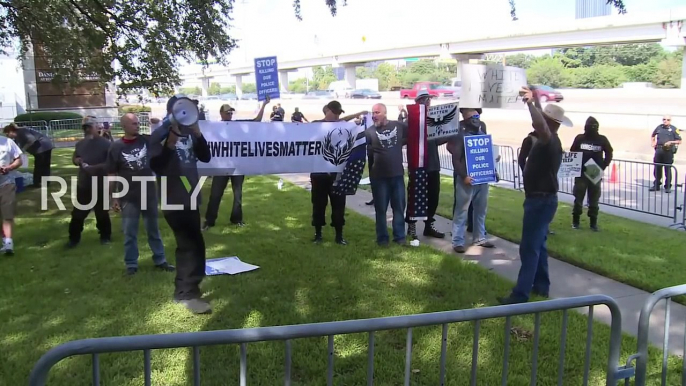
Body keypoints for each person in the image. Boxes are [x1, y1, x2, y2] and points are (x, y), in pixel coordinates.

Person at [498, 87, 571, 305]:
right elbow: (542, 123)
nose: (537, 121)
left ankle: (520, 294)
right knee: (538, 245)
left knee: (529, 247)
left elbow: (541, 125)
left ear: (550, 123)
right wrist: (536, 99)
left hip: (540, 201)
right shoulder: (546, 140)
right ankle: (541, 286)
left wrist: (530, 105)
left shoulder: (549, 141)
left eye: (543, 118)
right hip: (541, 200)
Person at [150, 97, 212, 314]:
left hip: (191, 195)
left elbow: (205, 157)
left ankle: (189, 289)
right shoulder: (159, 135)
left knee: (194, 244)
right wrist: (170, 143)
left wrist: (198, 134)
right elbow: (156, 165)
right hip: (174, 197)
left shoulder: (190, 133)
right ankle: (186, 293)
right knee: (189, 244)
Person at [107, 113, 174, 275]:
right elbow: (111, 174)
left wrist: (164, 122)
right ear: (124, 126)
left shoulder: (146, 140)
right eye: (133, 124)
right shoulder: (116, 147)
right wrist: (113, 196)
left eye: (138, 123)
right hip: (129, 197)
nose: (137, 126)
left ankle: (160, 260)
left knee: (153, 229)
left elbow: (163, 132)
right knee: (130, 232)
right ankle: (131, 264)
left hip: (149, 194)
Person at [202, 97, 269, 231]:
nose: (230, 115)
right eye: (227, 113)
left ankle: (237, 219)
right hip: (221, 167)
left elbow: (256, 121)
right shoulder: (214, 127)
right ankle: (209, 221)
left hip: (238, 166)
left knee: (238, 195)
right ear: (221, 113)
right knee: (215, 194)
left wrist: (264, 105)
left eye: (231, 113)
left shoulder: (237, 125)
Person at [310, 101, 367, 244]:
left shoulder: (341, 125)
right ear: (327, 110)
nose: (336, 116)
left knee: (339, 205)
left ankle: (339, 235)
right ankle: (318, 234)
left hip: (337, 174)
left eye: (338, 113)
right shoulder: (315, 124)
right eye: (334, 112)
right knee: (318, 204)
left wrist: (358, 115)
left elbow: (344, 120)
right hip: (319, 173)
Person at [447, 108, 494, 253]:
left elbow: (487, 154)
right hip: (467, 179)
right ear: (466, 119)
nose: (476, 118)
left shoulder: (482, 133)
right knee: (462, 210)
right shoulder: (460, 135)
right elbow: (456, 159)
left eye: (477, 115)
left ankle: (479, 237)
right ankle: (457, 241)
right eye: (472, 116)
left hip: (483, 178)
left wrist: (493, 168)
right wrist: (463, 176)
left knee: (481, 210)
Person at [406, 90, 447, 240]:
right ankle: (411, 226)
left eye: (429, 100)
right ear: (418, 102)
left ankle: (429, 225)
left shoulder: (433, 120)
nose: (428, 103)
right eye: (424, 100)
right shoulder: (411, 120)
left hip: (433, 165)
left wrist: (450, 131)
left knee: (433, 197)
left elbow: (438, 141)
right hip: (417, 165)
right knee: (414, 196)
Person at [67, 119, 112, 248]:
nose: (86, 130)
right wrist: (77, 160)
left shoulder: (106, 144)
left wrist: (95, 168)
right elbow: (75, 158)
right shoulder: (80, 144)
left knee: (102, 212)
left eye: (89, 127)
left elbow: (111, 164)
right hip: (84, 183)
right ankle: (73, 239)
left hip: (100, 183)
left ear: (96, 127)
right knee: (78, 213)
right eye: (84, 127)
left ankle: (105, 236)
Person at [367, 103, 407, 246]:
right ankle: (382, 239)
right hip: (379, 178)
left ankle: (400, 237)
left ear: (385, 113)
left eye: (377, 112)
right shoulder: (370, 132)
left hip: (397, 175)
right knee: (381, 209)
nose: (374, 115)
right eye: (373, 113)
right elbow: (367, 153)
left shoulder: (399, 126)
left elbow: (413, 136)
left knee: (399, 208)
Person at [570, 116, 613, 231]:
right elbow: (572, 152)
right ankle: (576, 221)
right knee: (578, 198)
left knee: (594, 199)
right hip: (581, 172)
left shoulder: (602, 139)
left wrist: (603, 166)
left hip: (594, 171)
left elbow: (609, 152)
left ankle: (593, 223)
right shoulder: (579, 138)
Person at [3, 123, 54, 188]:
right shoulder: (18, 135)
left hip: (42, 147)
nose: (7, 136)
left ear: (11, 131)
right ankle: (45, 182)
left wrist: (23, 149)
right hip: (47, 145)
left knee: (40, 165)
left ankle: (37, 183)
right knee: (44, 165)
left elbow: (31, 140)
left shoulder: (21, 132)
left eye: (7, 134)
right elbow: (16, 147)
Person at [0, 128, 23, 255]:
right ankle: (4, 240)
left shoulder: (8, 142)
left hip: (6, 183)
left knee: (7, 214)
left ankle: (9, 244)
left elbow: (19, 159)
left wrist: (9, 167)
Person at [649, 115, 681, 193]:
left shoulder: (674, 129)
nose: (665, 121)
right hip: (659, 150)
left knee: (668, 169)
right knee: (657, 168)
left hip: (668, 151)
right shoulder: (659, 127)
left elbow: (679, 141)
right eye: (664, 119)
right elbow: (653, 135)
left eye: (667, 119)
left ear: (670, 121)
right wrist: (653, 142)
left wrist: (671, 142)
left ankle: (667, 186)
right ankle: (656, 185)